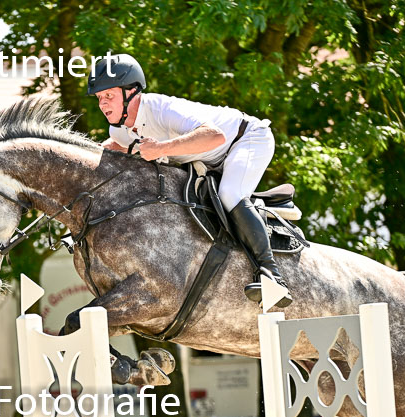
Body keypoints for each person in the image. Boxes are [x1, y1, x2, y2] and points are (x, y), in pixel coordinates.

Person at [88, 53, 292, 308]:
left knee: (230, 194)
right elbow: (110, 150)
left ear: (131, 92)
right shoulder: (118, 130)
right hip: (206, 161)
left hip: (245, 139)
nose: (103, 104)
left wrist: (162, 148)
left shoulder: (161, 109)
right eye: (99, 98)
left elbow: (215, 136)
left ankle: (271, 274)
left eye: (109, 96)